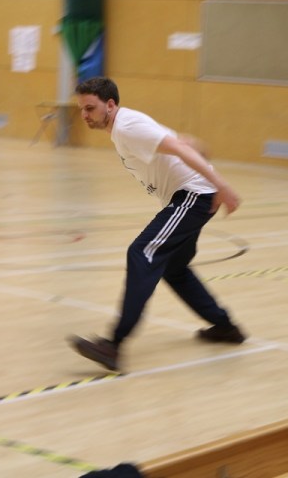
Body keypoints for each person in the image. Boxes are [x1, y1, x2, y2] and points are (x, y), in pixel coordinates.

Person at [69, 76, 247, 372]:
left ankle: (113, 344)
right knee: (175, 268)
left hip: (193, 197)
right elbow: (185, 143)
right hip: (195, 196)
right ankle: (225, 327)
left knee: (142, 253)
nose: (85, 116)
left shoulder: (127, 126)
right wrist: (198, 150)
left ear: (110, 105)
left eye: (90, 108)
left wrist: (221, 186)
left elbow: (180, 148)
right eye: (83, 110)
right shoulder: (126, 125)